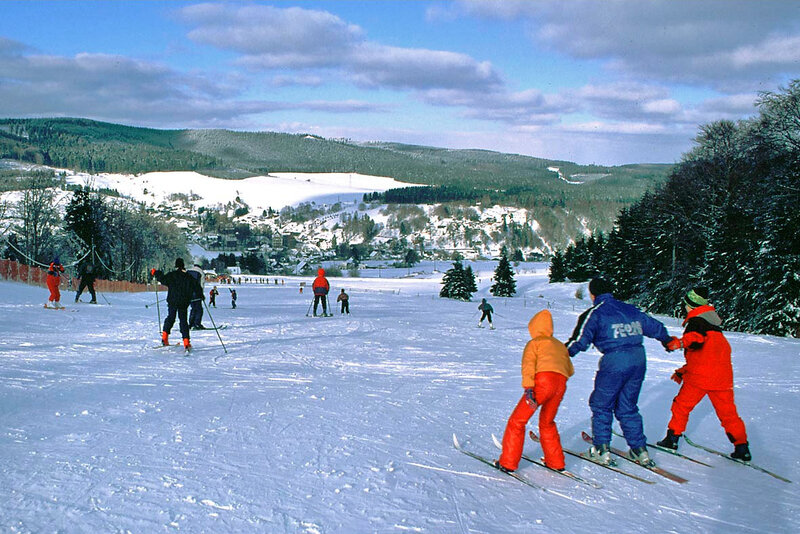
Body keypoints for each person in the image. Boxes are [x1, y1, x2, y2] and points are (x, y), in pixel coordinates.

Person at [566, 278, 673, 467]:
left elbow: (579, 342)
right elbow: (655, 326)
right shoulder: (630, 309)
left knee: (602, 404)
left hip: (615, 361)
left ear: (593, 294)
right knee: (627, 406)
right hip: (638, 360)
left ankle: (601, 449)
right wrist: (666, 340)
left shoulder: (594, 313)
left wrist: (560, 355)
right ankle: (640, 450)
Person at [657, 288, 751, 461]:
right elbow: (706, 357)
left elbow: (695, 339)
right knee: (728, 414)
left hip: (699, 379)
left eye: (685, 304)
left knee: (681, 406)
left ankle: (672, 440)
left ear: (691, 306)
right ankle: (742, 448)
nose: (684, 307)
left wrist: (678, 343)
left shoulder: (697, 323)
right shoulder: (714, 327)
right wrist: (683, 370)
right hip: (722, 379)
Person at [495, 310, 574, 472]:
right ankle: (556, 462)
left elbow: (528, 366)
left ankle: (508, 462)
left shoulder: (535, 343)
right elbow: (569, 369)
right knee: (547, 422)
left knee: (517, 421)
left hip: (541, 384)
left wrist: (529, 388)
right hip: (560, 385)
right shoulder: (559, 345)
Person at [151, 258, 201, 351]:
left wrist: (155, 273)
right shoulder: (188, 277)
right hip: (183, 302)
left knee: (171, 318)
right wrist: (201, 296)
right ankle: (186, 342)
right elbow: (196, 286)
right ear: (183, 265)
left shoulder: (172, 275)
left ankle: (165, 338)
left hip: (172, 301)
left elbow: (162, 278)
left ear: (176, 265)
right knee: (183, 321)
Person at [187, 264, 206, 329]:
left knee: (193, 308)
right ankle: (197, 323)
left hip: (188, 294)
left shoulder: (188, 271)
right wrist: (201, 294)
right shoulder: (201, 272)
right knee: (199, 309)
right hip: (196, 294)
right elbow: (201, 284)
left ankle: (191, 323)